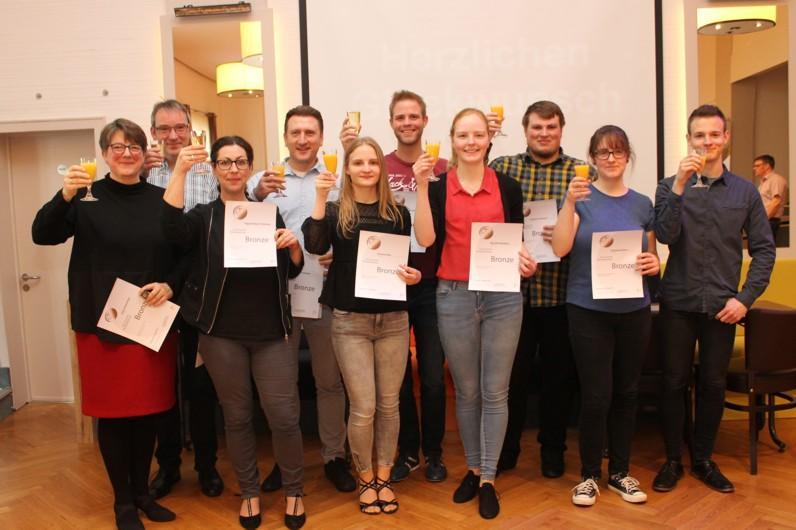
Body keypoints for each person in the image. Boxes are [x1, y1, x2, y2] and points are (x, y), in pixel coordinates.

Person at [32, 118, 182, 530]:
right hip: (102, 324)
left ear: (144, 153)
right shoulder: (84, 197)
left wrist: (170, 285)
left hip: (149, 324)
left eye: (134, 146)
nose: (126, 153)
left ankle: (143, 494)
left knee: (148, 413)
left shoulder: (162, 199)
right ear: (104, 154)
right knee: (113, 415)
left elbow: (182, 256)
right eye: (118, 147)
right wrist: (63, 195)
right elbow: (42, 234)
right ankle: (123, 503)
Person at [162, 136, 307, 529]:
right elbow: (171, 231)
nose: (232, 169)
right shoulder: (202, 217)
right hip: (221, 335)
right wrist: (180, 171)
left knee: (284, 417)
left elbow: (291, 270)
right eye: (224, 162)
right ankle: (249, 493)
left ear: (250, 168)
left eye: (240, 161)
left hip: (272, 333)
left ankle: (294, 491)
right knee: (238, 418)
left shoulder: (269, 214)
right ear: (214, 169)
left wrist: (294, 248)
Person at [413, 108, 537, 519]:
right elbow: (426, 239)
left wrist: (526, 261)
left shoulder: (507, 186)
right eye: (463, 135)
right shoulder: (437, 187)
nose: (471, 142)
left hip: (503, 295)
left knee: (495, 391)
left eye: (478, 135)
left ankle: (488, 479)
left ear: (488, 139)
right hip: (454, 295)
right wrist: (420, 184)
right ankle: (473, 468)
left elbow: (517, 240)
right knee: (466, 391)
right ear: (452, 139)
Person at [653, 105, 776, 494]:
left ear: (726, 138)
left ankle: (704, 460)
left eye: (714, 134)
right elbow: (665, 235)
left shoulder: (745, 192)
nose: (707, 141)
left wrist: (745, 299)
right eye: (699, 135)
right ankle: (673, 459)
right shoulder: (668, 186)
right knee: (673, 382)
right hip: (678, 301)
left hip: (723, 307)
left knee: (712, 383)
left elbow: (764, 250)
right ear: (689, 139)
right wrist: (679, 186)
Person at [302, 136, 421, 515]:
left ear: (381, 169)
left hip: (393, 320)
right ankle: (365, 477)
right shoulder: (336, 211)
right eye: (358, 163)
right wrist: (320, 196)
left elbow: (403, 264)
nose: (366, 168)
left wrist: (413, 276)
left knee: (389, 406)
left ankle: (384, 477)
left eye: (372, 162)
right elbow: (315, 246)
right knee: (364, 407)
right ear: (348, 170)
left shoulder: (399, 214)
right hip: (349, 321)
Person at [340, 90, 449, 483]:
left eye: (413, 116)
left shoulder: (444, 168)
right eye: (400, 117)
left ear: (425, 121)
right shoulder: (379, 165)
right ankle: (408, 452)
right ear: (391, 123)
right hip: (386, 287)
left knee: (432, 376)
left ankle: (434, 453)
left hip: (430, 282)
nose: (407, 122)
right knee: (397, 382)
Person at [247, 105, 355, 494]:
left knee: (330, 381)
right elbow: (241, 227)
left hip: (325, 293)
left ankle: (334, 457)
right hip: (280, 294)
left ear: (321, 137)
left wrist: (340, 254)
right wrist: (256, 196)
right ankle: (286, 458)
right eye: (296, 132)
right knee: (283, 382)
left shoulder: (339, 180)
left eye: (310, 132)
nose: (303, 139)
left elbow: (352, 229)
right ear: (285, 137)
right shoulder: (264, 181)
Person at [551, 125, 659, 507]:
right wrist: (568, 203)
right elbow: (560, 248)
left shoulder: (643, 204)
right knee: (596, 395)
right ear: (592, 158)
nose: (610, 158)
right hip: (588, 310)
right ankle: (589, 476)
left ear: (628, 156)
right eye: (602, 152)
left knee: (627, 392)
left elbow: (651, 256)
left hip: (634, 309)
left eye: (617, 151)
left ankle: (620, 473)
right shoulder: (580, 199)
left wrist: (653, 263)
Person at [489, 100, 582, 478]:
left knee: (559, 380)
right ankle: (506, 448)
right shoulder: (504, 167)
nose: (544, 134)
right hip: (512, 295)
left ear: (561, 129)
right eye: (537, 127)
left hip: (561, 294)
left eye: (551, 127)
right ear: (526, 130)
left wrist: (567, 230)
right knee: (511, 379)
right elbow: (483, 213)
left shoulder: (580, 173)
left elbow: (589, 225)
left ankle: (553, 450)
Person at [143, 99, 223, 499]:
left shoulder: (210, 173)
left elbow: (205, 238)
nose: (173, 135)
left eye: (180, 127)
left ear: (191, 130)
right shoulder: (145, 173)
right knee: (162, 386)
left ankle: (207, 466)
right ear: (153, 132)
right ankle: (169, 466)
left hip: (196, 292)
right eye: (164, 128)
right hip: (154, 294)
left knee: (200, 386)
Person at [753, 154, 788, 240]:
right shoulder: (763, 183)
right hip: (764, 220)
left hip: (769, 221)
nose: (754, 168)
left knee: (765, 247)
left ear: (767, 166)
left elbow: (776, 202)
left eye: (757, 165)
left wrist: (762, 221)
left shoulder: (776, 179)